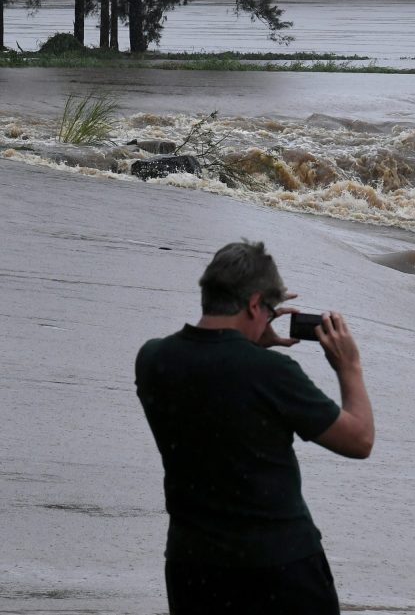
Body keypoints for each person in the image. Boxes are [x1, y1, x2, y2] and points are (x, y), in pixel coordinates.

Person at [135, 240, 374, 615]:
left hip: (192, 567)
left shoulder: (152, 359)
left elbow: (212, 371)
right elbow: (359, 439)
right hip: (279, 569)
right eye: (267, 310)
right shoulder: (272, 374)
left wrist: (247, 339)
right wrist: (350, 366)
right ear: (253, 304)